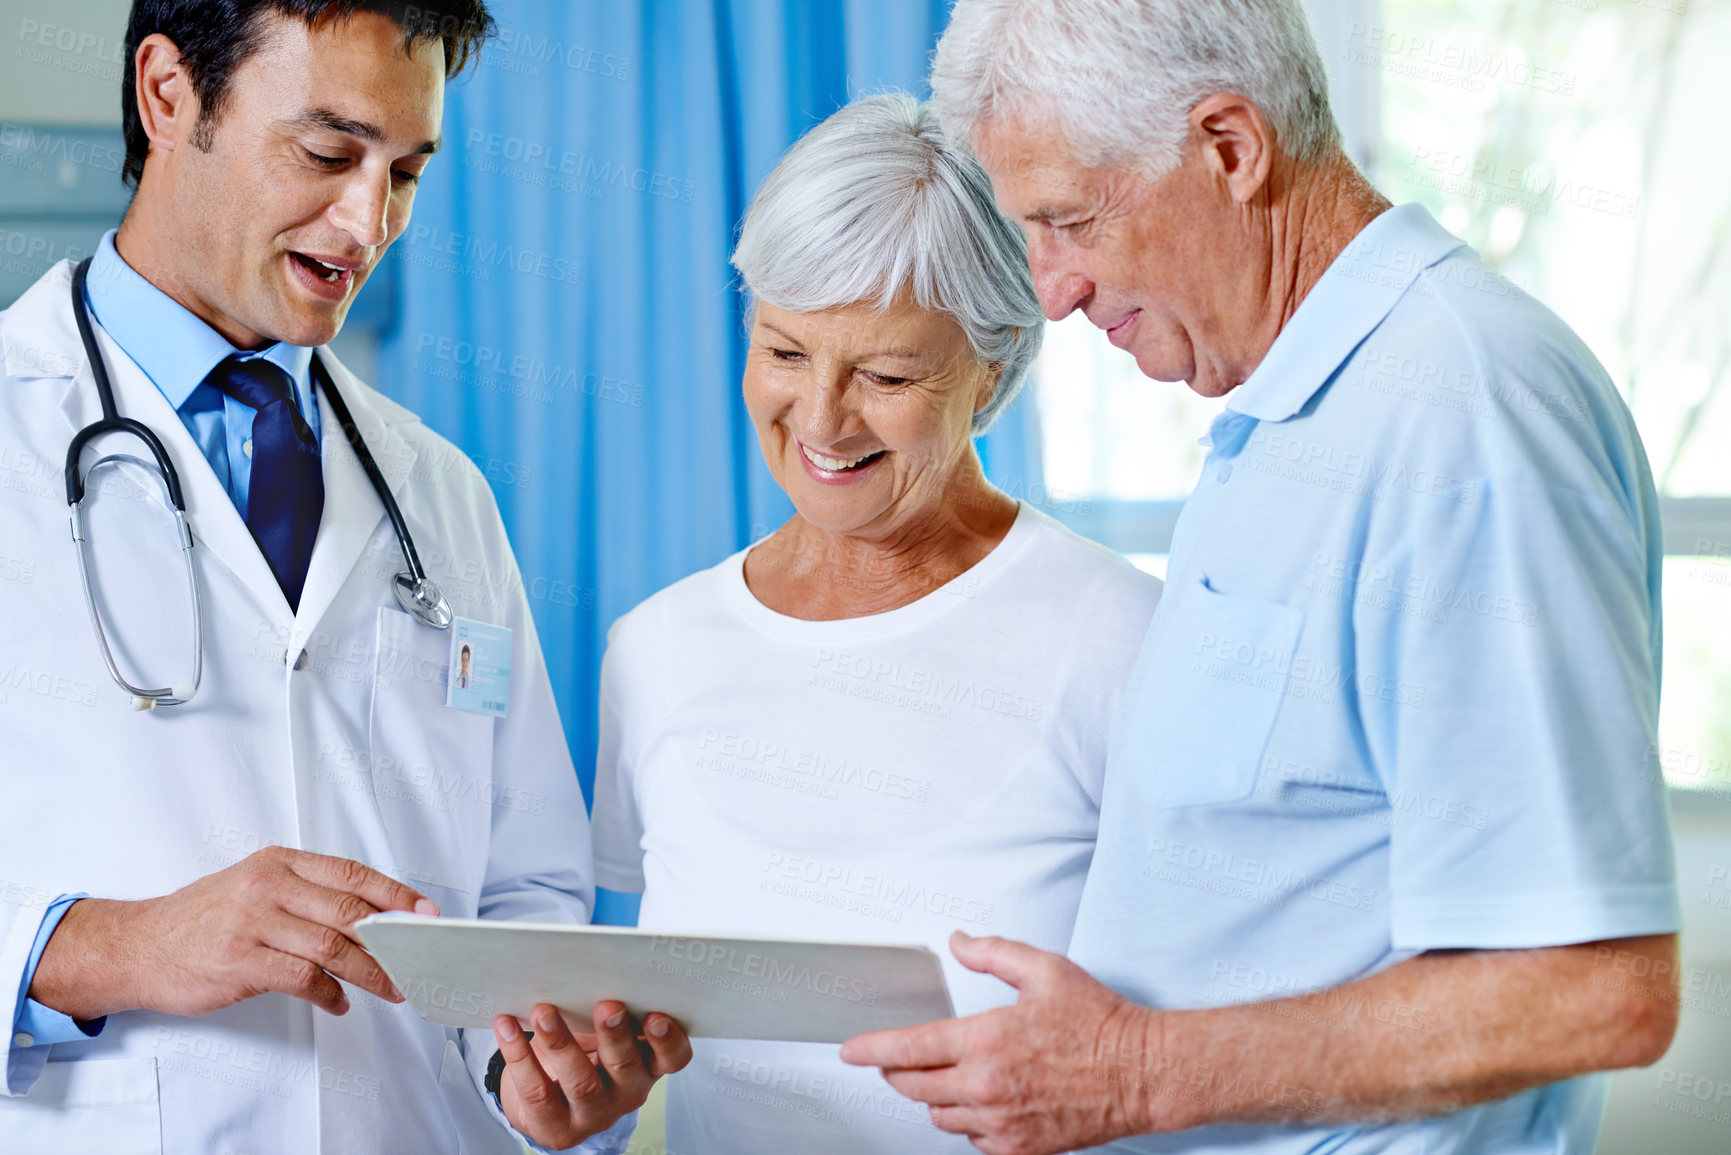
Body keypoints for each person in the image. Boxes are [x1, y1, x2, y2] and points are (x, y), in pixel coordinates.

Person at [841, 2, 1682, 1153]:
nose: (1051, 291)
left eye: (1071, 222)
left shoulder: (1460, 413)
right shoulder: (1296, 416)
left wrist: (1132, 1075)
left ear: (1231, 147)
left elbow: (1592, 989)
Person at [0, 3, 689, 1152]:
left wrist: (531, 1080)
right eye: (326, 153)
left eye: (405, 171)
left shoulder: (442, 492)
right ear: (168, 95)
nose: (368, 221)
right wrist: (115, 946)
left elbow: (523, 894)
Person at [588, 93, 1161, 1154]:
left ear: (993, 372)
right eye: (786, 351)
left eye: (888, 375)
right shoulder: (655, 650)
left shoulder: (1121, 639)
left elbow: (1204, 1023)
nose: (821, 420)